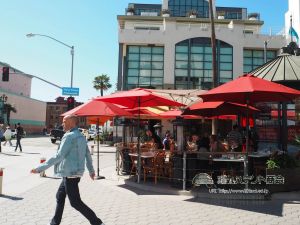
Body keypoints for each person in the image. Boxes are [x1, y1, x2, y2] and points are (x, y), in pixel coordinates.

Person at [30, 115, 104, 225]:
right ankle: (55, 223)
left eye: (64, 122)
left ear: (72, 123)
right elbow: (87, 155)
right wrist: (91, 171)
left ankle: (96, 222)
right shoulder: (81, 136)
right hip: (73, 173)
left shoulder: (69, 136)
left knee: (75, 202)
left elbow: (59, 156)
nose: (62, 124)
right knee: (60, 196)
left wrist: (40, 168)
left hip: (70, 174)